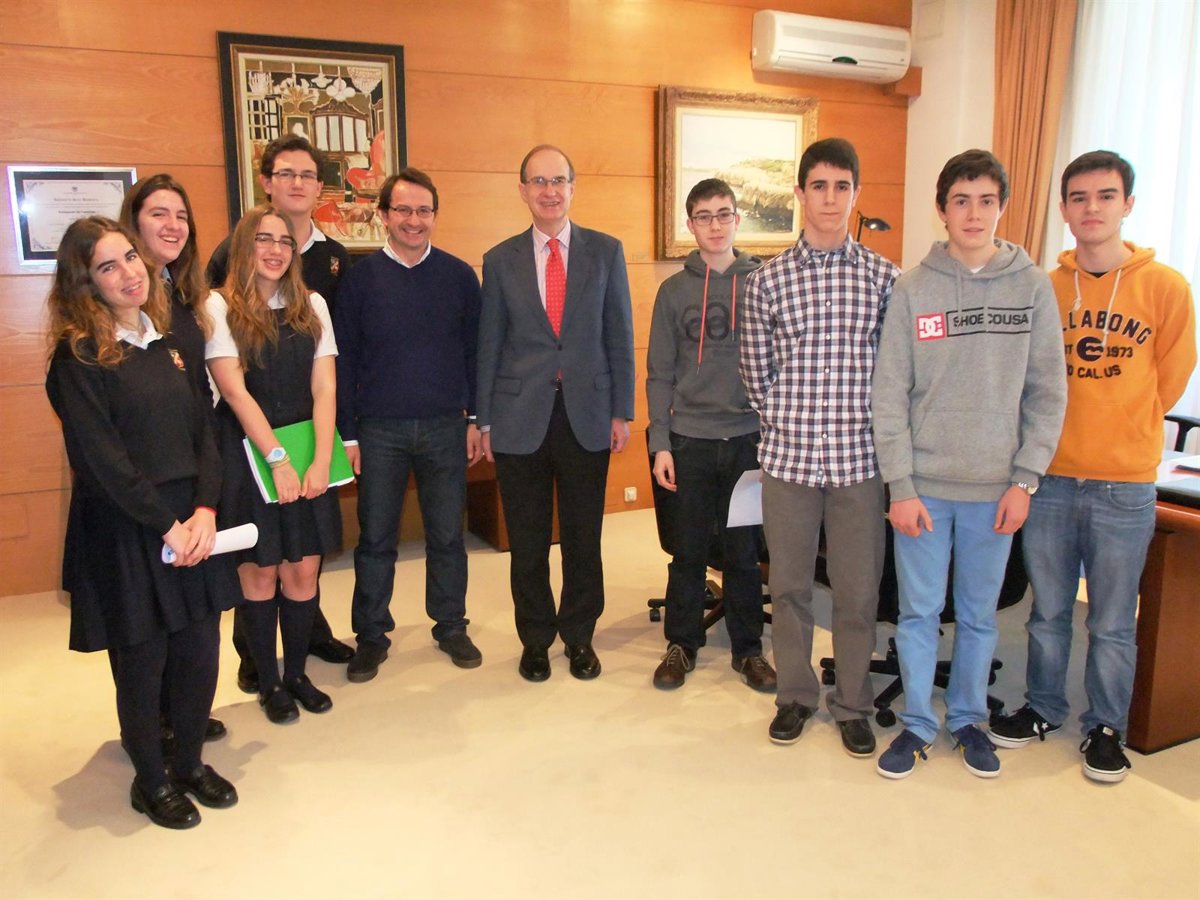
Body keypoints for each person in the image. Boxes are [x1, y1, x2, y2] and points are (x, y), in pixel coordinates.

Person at [988, 151, 1197, 783]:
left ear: (1127, 204)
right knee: (1049, 611)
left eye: (1105, 196)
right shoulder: (1045, 288)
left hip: (1123, 486)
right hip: (1049, 478)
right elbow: (1026, 376)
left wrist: (1124, 424)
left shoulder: (1165, 287)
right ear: (1063, 209)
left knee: (1110, 620)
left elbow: (1171, 374)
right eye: (1079, 197)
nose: (1092, 208)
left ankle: (1105, 726)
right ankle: (1044, 707)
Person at [871, 149, 1066, 780]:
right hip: (924, 489)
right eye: (961, 201)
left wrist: (1026, 479)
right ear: (943, 209)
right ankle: (917, 724)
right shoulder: (914, 287)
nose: (974, 213)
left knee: (980, 616)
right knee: (919, 614)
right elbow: (889, 394)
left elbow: (1047, 392)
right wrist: (900, 486)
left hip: (997, 490)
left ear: (1002, 207)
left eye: (986, 201)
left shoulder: (1031, 287)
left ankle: (967, 719)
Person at [46, 217, 239, 829]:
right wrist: (167, 525)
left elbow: (205, 430)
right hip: (130, 527)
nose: (129, 273)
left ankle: (189, 762)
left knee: (200, 650)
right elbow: (102, 461)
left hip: (191, 520)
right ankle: (151, 779)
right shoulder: (78, 356)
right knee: (144, 659)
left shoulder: (170, 342)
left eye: (130, 257)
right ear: (85, 282)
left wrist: (205, 509)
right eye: (108, 266)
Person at [740, 139, 900, 755]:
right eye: (819, 186)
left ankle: (854, 703)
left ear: (856, 194)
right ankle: (796, 696)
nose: (830, 198)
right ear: (800, 194)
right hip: (790, 463)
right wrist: (788, 421)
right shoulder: (768, 280)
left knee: (858, 594)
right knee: (789, 589)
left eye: (842, 187)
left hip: (859, 464)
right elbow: (756, 373)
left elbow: (894, 374)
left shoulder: (885, 279)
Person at [477, 144, 635, 682]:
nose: (549, 191)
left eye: (558, 180)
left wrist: (622, 410)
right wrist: (483, 419)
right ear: (523, 189)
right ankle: (536, 638)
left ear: (573, 187)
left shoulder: (606, 251)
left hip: (587, 413)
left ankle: (580, 635)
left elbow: (619, 335)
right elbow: (489, 345)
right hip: (518, 416)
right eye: (539, 181)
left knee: (583, 537)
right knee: (527, 540)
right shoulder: (500, 260)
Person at [207, 135, 354, 685]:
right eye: (262, 240)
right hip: (250, 456)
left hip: (307, 450)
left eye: (283, 242)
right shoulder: (218, 305)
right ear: (243, 247)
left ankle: (295, 678)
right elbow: (235, 393)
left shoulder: (311, 304)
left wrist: (319, 461)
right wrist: (278, 461)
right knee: (260, 573)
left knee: (303, 571)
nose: (274, 249)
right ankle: (266, 681)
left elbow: (325, 389)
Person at [335, 168, 483, 682]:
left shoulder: (459, 277)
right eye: (403, 210)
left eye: (423, 211)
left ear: (435, 216)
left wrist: (476, 417)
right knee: (376, 539)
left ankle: (451, 625)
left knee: (447, 535)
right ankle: (371, 636)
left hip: (446, 426)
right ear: (384, 216)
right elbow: (344, 361)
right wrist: (348, 434)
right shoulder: (359, 281)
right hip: (379, 431)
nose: (413, 220)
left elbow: (475, 353)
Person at [646, 178, 774, 692]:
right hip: (689, 442)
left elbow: (781, 367)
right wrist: (659, 444)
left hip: (747, 442)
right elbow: (658, 373)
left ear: (737, 220)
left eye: (724, 214)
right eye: (704, 216)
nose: (715, 225)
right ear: (691, 224)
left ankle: (749, 650)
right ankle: (681, 644)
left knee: (743, 552)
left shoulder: (763, 284)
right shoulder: (673, 292)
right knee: (689, 552)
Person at [120, 174, 228, 746]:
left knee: (191, 614)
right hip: (140, 487)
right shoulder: (120, 303)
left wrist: (205, 497)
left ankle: (182, 714)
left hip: (189, 475)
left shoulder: (187, 299)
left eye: (181, 216)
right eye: (158, 214)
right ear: (132, 225)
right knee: (147, 621)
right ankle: (154, 726)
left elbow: (198, 404)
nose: (173, 225)